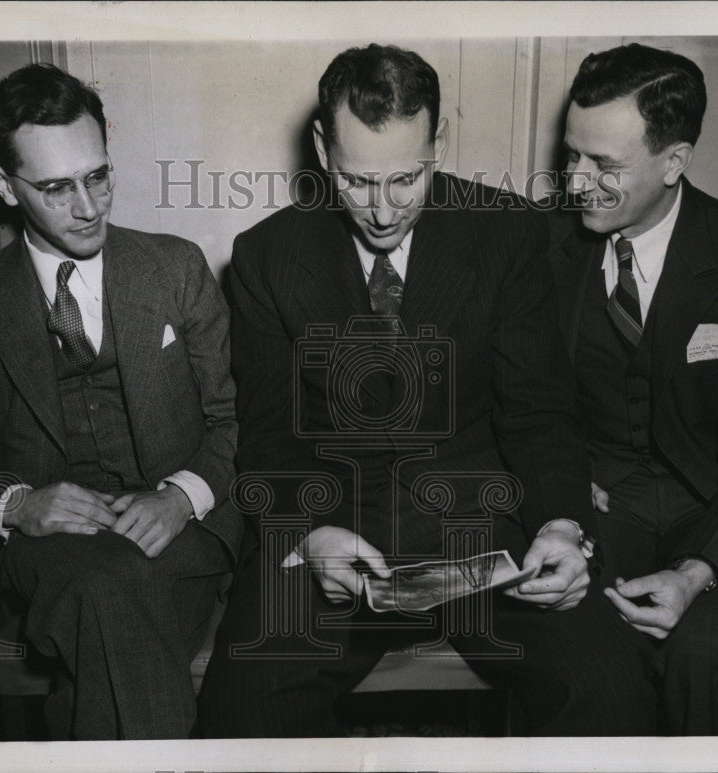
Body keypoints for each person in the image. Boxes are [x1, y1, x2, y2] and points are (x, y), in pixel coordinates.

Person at [197, 43, 656, 738]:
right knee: (240, 711)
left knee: (612, 687)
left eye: (406, 179)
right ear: (323, 149)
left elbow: (538, 412)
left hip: (484, 533)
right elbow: (268, 432)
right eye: (357, 181)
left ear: (438, 142)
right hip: (335, 531)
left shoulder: (506, 233)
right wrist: (311, 534)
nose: (382, 211)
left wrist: (563, 525)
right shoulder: (266, 256)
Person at [0, 63, 241, 740]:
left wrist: (181, 495)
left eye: (98, 175)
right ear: (8, 188)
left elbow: (232, 421)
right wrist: (21, 504)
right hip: (55, 552)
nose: (89, 206)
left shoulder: (175, 268)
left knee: (108, 602)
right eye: (56, 187)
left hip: (182, 534)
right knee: (106, 590)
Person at [549, 43, 718, 734]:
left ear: (675, 161)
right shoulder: (548, 244)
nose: (575, 183)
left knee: (709, 653)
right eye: (572, 155)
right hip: (607, 514)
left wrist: (698, 572)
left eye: (604, 166)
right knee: (586, 657)